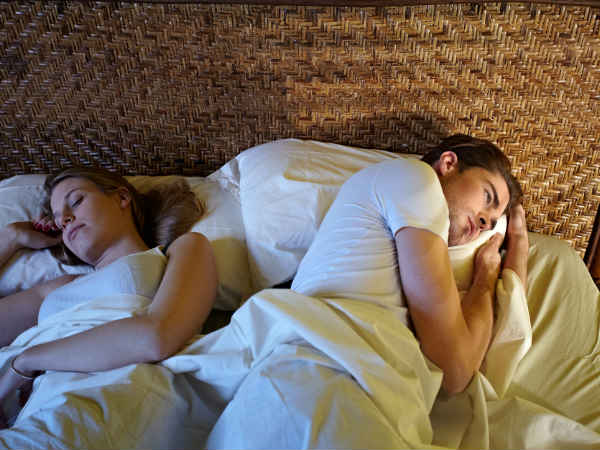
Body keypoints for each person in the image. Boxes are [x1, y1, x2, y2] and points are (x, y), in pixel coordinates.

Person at [292, 134, 529, 394]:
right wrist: (486, 276)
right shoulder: (417, 179)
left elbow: (490, 342)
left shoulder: (419, 240)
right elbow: (456, 371)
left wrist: (518, 242)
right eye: (487, 197)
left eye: (491, 223)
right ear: (448, 164)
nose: (484, 223)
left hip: (362, 382)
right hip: (323, 370)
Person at [0, 167, 218, 425]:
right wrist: (12, 237)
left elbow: (157, 336)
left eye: (76, 201)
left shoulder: (181, 249)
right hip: (34, 411)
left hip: (109, 399)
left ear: (122, 197)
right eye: (58, 221)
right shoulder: (59, 288)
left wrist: (27, 361)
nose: (65, 219)